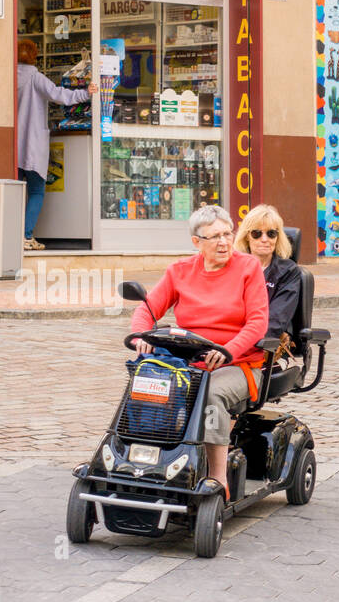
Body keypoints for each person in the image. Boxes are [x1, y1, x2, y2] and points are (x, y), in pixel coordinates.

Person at [129, 206, 268, 495]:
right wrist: (140, 336)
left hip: (237, 364)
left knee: (210, 394)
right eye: (215, 236)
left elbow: (258, 323)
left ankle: (218, 479)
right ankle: (147, 461)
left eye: (228, 234)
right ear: (197, 242)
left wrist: (229, 350)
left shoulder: (248, 267)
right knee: (148, 384)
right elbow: (147, 309)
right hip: (189, 362)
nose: (224, 242)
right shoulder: (179, 271)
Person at [16, 39, 96, 250]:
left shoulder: (7, 77)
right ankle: (25, 236)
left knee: (14, 192)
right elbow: (58, 94)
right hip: (32, 144)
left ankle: (10, 234)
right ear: (35, 56)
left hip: (11, 146)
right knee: (36, 192)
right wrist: (86, 93)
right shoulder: (35, 78)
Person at [234, 205, 302, 349]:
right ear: (247, 236)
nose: (264, 239)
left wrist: (241, 344)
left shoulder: (288, 271)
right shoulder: (233, 266)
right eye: (256, 233)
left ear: (278, 237)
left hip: (264, 344)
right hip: (230, 338)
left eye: (271, 233)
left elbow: (276, 319)